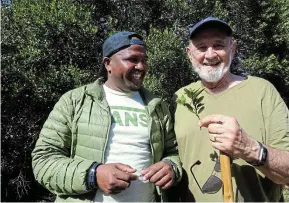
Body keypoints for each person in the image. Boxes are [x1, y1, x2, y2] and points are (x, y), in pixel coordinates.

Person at [32, 31, 182, 202]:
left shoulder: (157, 105)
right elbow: (43, 160)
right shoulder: (75, 101)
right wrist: (93, 174)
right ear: (108, 63)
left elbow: (173, 151)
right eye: (132, 59)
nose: (141, 66)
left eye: (144, 60)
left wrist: (171, 167)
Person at [171, 17, 289, 202]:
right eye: (201, 47)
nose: (210, 55)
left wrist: (250, 149)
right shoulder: (180, 98)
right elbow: (171, 157)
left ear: (233, 47)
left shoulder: (262, 92)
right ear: (189, 53)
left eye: (218, 45)